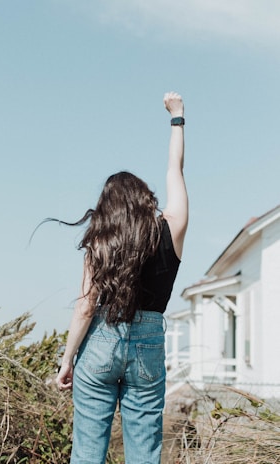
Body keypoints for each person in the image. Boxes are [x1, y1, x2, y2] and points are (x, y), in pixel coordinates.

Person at [56, 91, 188, 464]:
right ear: (146, 199)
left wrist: (67, 360)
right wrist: (177, 118)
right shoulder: (172, 228)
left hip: (100, 341)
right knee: (144, 453)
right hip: (148, 346)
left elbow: (85, 308)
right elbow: (174, 170)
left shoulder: (101, 242)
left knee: (86, 451)